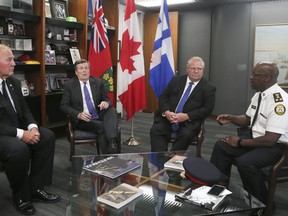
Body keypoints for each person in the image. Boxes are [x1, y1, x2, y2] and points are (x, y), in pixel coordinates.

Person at [210, 62, 288, 209]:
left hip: (275, 147)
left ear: (267, 78)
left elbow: (271, 140)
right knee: (221, 146)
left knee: (245, 162)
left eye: (255, 75)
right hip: (256, 141)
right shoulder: (259, 95)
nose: (250, 78)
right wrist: (231, 118)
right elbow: (247, 119)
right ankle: (219, 190)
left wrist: (239, 143)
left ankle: (262, 205)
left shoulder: (280, 102)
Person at [0, 44, 60, 215]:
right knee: (18, 148)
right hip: (2, 134)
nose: (14, 63)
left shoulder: (13, 82)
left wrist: (32, 128)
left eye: (13, 59)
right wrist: (21, 134)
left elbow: (25, 109)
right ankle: (21, 196)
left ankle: (35, 188)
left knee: (46, 136)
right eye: (9, 60)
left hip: (15, 129)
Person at [150, 56, 216, 152]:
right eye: (193, 68)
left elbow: (207, 109)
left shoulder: (209, 88)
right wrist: (167, 112)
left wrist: (186, 116)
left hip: (188, 122)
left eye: (199, 69)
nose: (196, 71)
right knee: (156, 130)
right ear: (187, 69)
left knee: (186, 135)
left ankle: (172, 159)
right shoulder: (176, 80)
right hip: (169, 118)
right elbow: (163, 97)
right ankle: (159, 159)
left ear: (203, 70)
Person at [60, 59, 119, 154]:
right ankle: (108, 155)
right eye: (81, 68)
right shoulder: (69, 85)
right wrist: (78, 114)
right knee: (102, 126)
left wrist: (106, 103)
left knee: (112, 111)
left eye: (86, 68)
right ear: (76, 72)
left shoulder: (98, 82)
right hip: (83, 119)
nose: (84, 71)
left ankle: (112, 142)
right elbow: (63, 106)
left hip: (98, 114)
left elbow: (108, 100)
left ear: (89, 70)